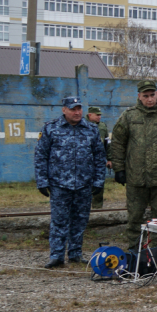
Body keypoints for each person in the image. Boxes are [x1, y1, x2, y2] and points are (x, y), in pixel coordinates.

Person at [110, 80, 157, 249]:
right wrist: (119, 168)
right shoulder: (129, 116)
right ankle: (134, 251)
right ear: (139, 97)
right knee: (135, 216)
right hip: (135, 178)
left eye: (152, 95)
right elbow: (118, 143)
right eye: (146, 96)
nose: (150, 99)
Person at [34, 96, 107, 268]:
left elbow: (99, 156)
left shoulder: (91, 129)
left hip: (84, 184)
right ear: (64, 110)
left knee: (80, 220)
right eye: (73, 109)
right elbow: (40, 156)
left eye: (79, 108)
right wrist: (42, 181)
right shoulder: (51, 128)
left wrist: (98, 181)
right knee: (59, 220)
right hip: (59, 184)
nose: (77, 112)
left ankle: (75, 253)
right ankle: (57, 256)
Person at [86, 106, 110, 210]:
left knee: (99, 185)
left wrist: (109, 159)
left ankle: (97, 207)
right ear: (90, 115)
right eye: (97, 115)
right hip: (85, 162)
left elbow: (107, 144)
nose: (99, 117)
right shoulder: (82, 125)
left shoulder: (102, 127)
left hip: (98, 161)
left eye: (100, 115)